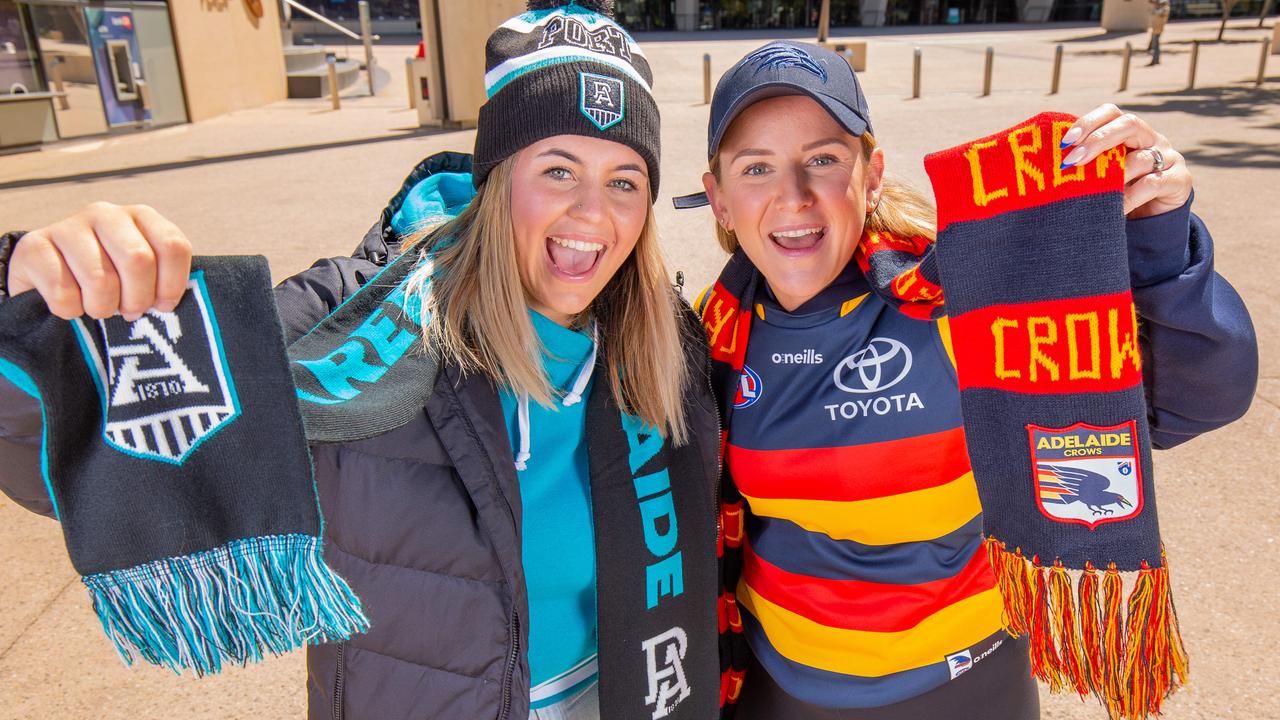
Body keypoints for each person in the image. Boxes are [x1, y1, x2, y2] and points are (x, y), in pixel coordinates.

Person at [0, 3, 723, 719]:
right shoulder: (350, 319)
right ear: (497, 179)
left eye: (624, 180)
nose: (594, 214)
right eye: (558, 170)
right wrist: (38, 289)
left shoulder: (663, 341)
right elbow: (55, 444)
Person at [687, 41, 1256, 719]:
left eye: (823, 159)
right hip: (777, 686)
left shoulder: (961, 306)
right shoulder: (712, 334)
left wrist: (1159, 243)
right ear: (718, 199)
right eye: (757, 168)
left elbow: (1198, 397)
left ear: (870, 176)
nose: (793, 197)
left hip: (961, 686)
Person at [1148, 0, 1172, 65]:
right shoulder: (1160, 9)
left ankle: (1155, 60)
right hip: (1155, 29)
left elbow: (1157, 13)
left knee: (1156, 46)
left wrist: (1156, 5)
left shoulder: (1164, 9)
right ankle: (1155, 59)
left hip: (1158, 29)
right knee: (1154, 45)